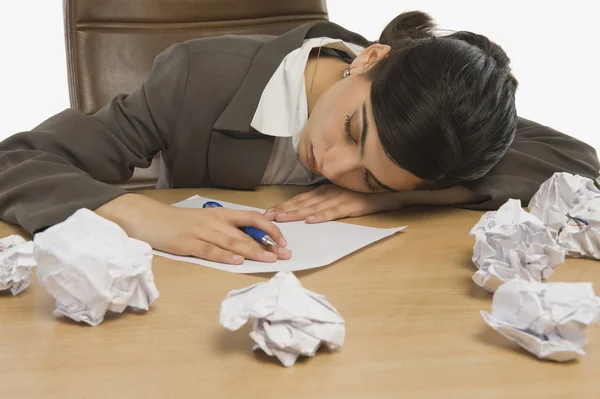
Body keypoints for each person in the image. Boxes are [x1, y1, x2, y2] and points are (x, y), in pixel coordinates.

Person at [0, 11, 597, 265]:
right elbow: (18, 161)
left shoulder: (426, 127)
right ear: (370, 58)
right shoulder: (193, 79)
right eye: (353, 130)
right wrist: (135, 214)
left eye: (365, 173)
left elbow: (577, 164)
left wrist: (393, 197)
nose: (332, 165)